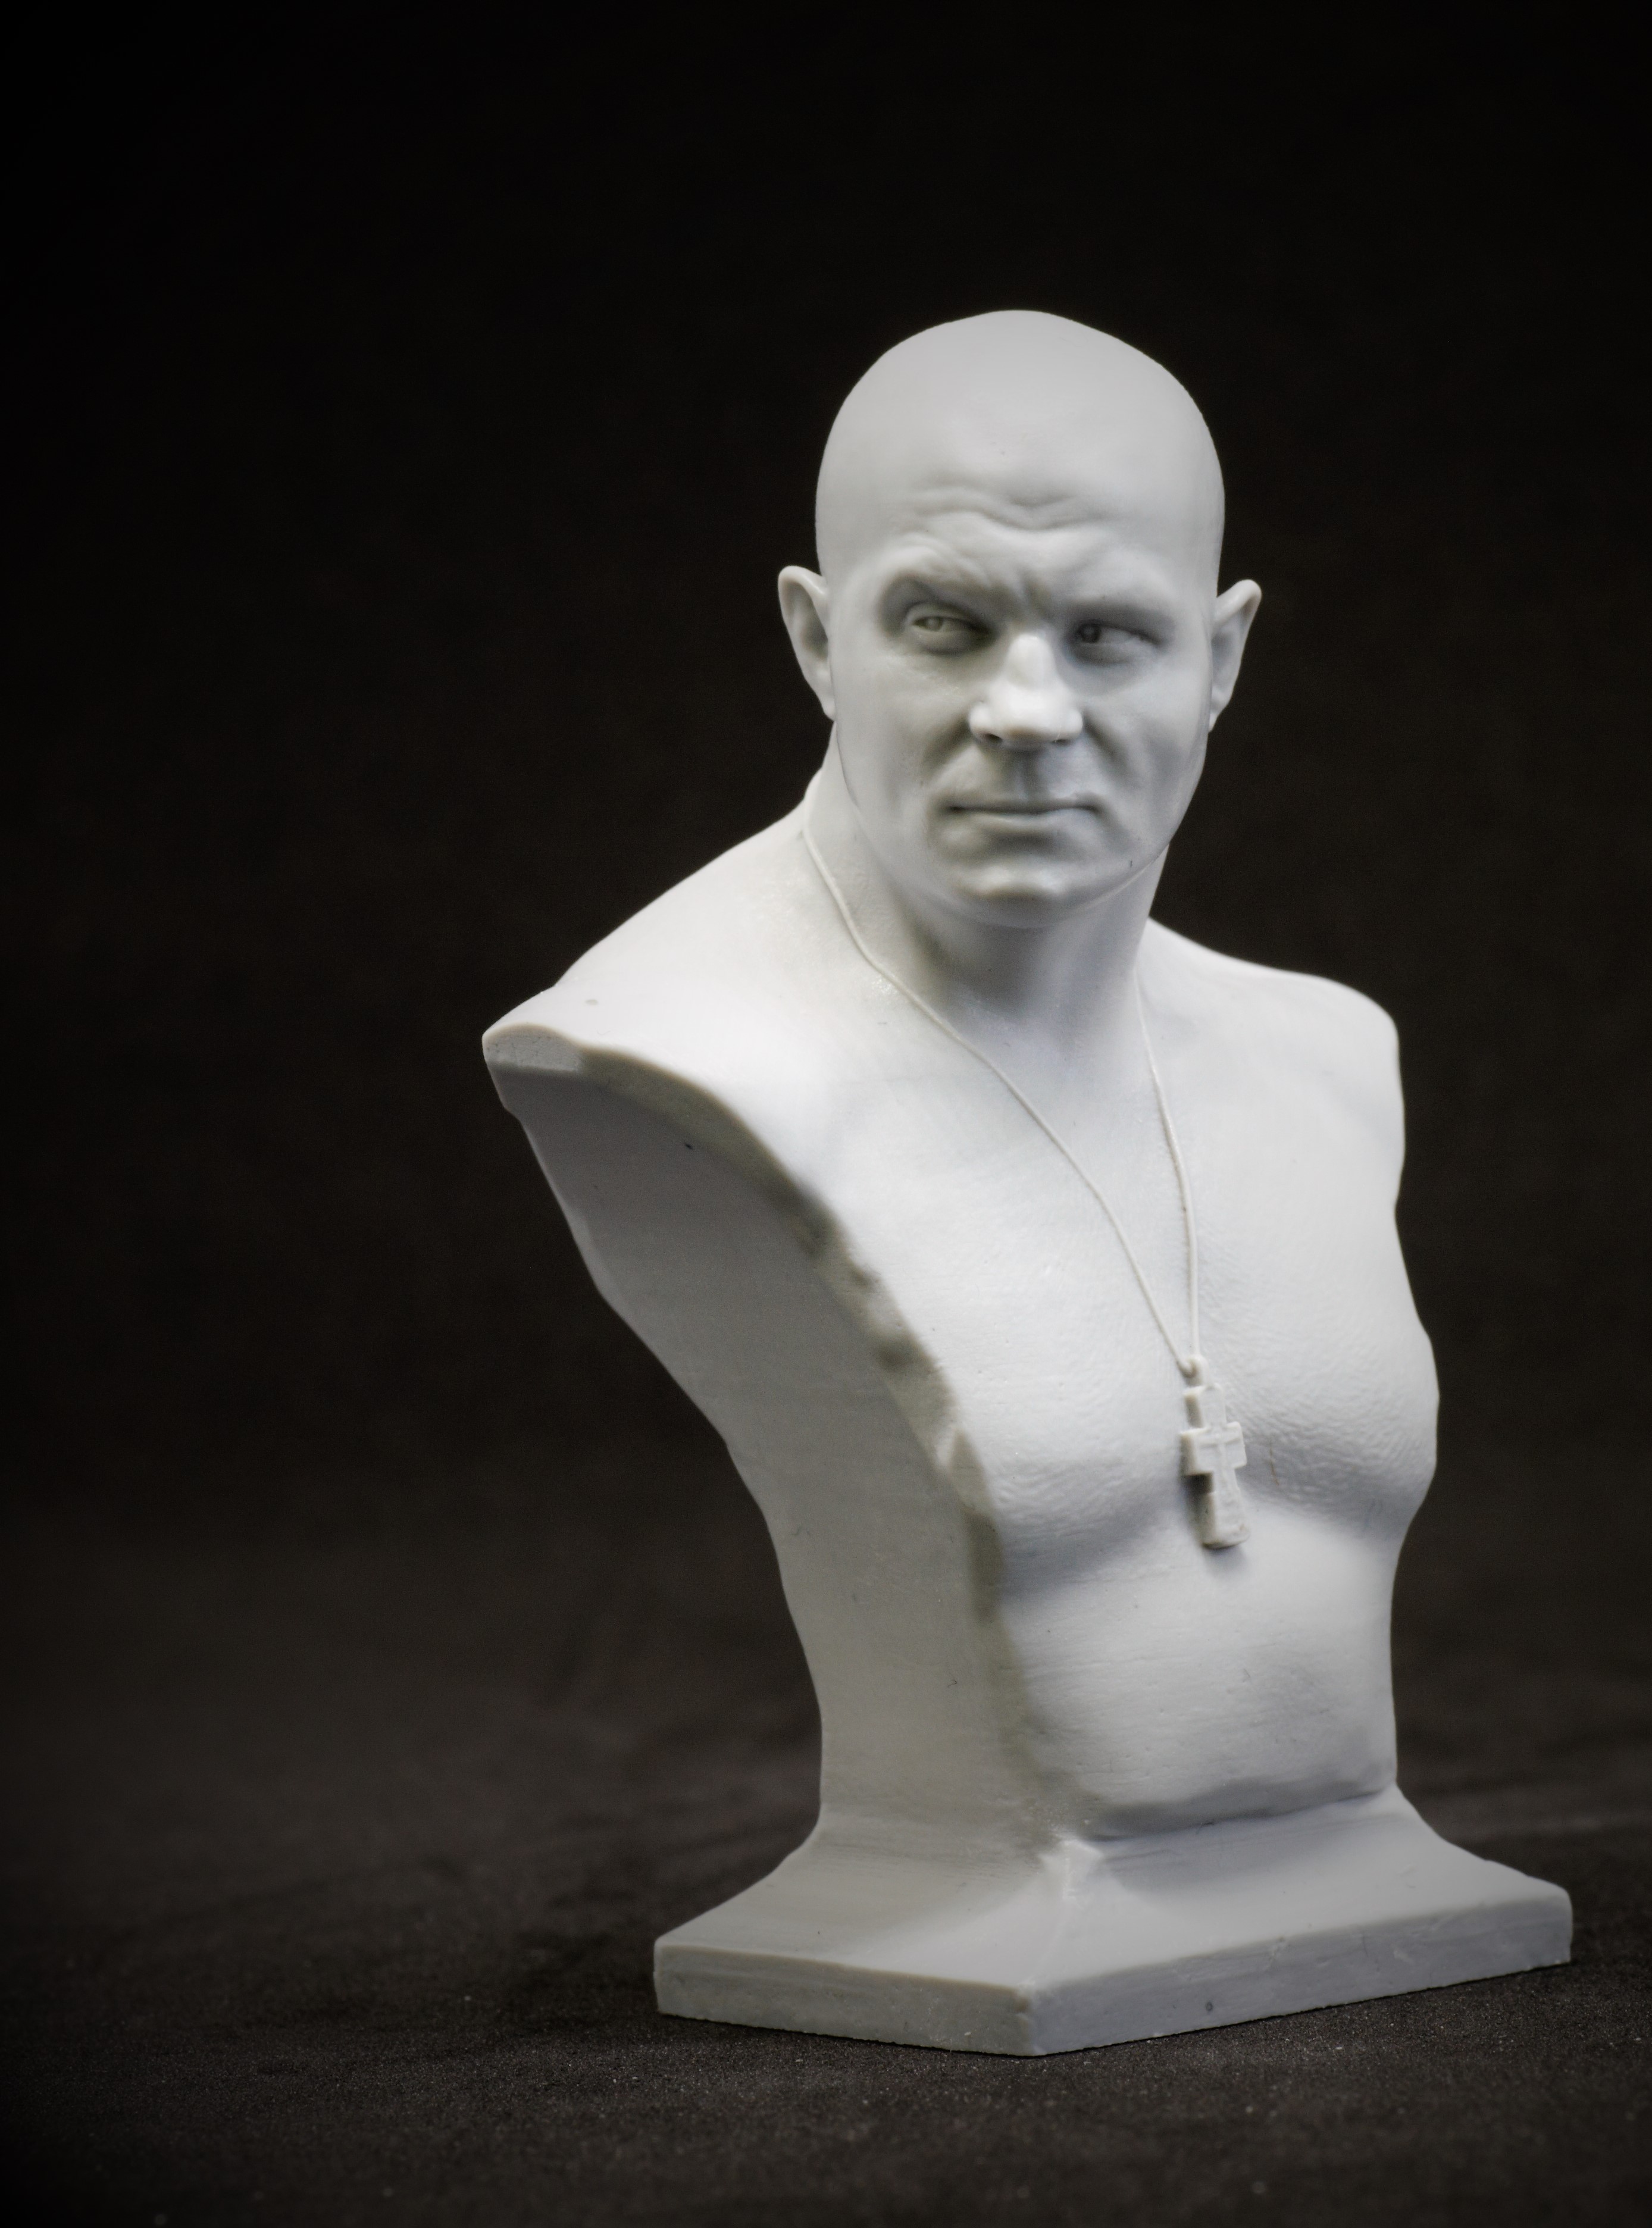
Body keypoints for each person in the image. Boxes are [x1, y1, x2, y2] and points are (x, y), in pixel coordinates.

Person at [485, 311, 1566, 2054]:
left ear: (1222, 657)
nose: (1028, 714)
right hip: (957, 1916)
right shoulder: (671, 1056)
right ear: (816, 638)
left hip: (1374, 1870)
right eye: (944, 624)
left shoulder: (1323, 1052)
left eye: (1109, 635)